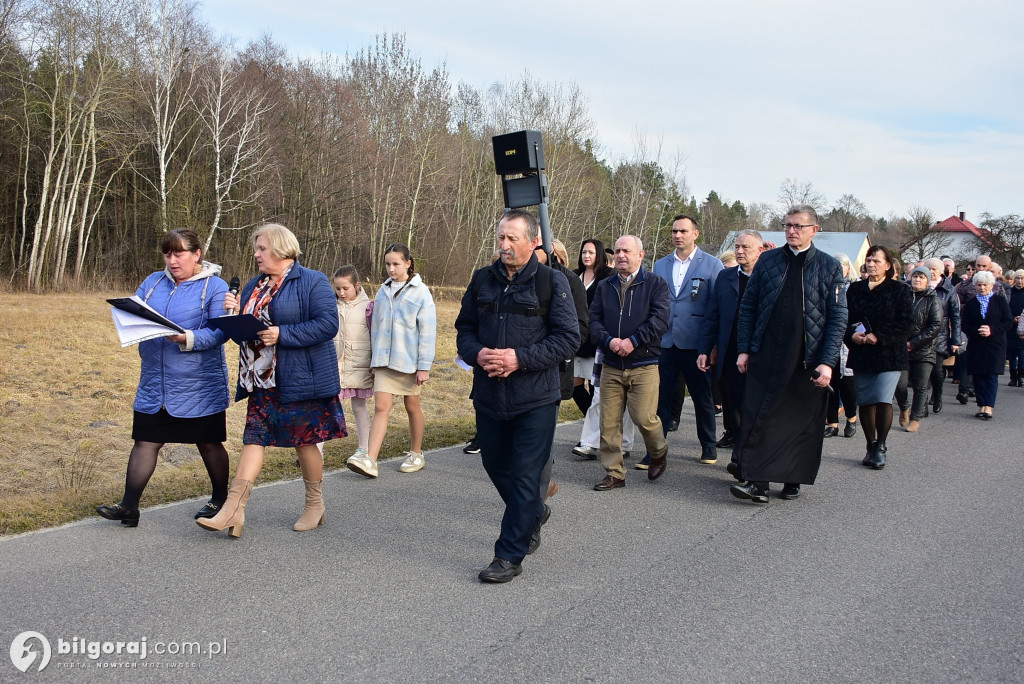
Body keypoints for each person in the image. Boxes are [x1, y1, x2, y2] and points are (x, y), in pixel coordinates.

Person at [455, 209, 579, 583]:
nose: (504, 245)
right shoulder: (482, 280)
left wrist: (518, 359)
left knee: (526, 474)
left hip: (535, 399)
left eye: (512, 239)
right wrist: (477, 353)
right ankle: (532, 512)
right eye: (501, 238)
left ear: (533, 241)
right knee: (496, 465)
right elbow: (464, 331)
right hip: (490, 395)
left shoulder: (550, 283)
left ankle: (508, 555)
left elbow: (568, 338)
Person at [197, 223, 345, 537]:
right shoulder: (253, 286)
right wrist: (234, 319)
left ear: (281, 248)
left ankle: (314, 504)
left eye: (262, 248)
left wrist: (283, 334)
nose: (256, 254)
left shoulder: (312, 281)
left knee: (304, 445)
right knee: (253, 439)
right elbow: (248, 338)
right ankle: (234, 509)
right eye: (257, 248)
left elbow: (328, 325)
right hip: (261, 380)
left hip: (300, 378)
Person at [97, 228, 231, 528]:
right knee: (145, 441)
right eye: (167, 254)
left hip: (198, 384)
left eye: (179, 253)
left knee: (208, 443)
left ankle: (221, 499)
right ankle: (129, 507)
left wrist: (185, 337)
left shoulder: (215, 286)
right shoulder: (153, 282)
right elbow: (136, 312)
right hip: (155, 382)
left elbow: (221, 332)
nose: (172, 260)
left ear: (197, 255)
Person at [730, 205, 847, 503]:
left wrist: (827, 363)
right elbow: (748, 308)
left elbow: (837, 318)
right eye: (787, 225)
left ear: (814, 230)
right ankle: (757, 482)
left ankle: (792, 477)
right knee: (760, 414)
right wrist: (744, 350)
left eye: (798, 226)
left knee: (799, 422)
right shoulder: (768, 261)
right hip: (766, 352)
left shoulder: (828, 266)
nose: (792, 231)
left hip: (806, 357)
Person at [346, 244, 436, 477]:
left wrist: (424, 366)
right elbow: (375, 328)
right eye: (388, 264)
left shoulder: (421, 292)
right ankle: (370, 460)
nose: (391, 268)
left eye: (396, 264)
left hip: (409, 362)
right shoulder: (383, 291)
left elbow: (427, 331)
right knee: (381, 407)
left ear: (407, 263)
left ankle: (416, 453)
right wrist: (375, 361)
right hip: (385, 361)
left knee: (412, 406)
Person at [590, 235, 671, 489]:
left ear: (641, 255)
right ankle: (615, 472)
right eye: (618, 251)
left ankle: (659, 451)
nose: (621, 255)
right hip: (612, 364)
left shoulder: (656, 284)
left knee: (644, 417)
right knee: (609, 422)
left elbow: (660, 320)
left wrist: (633, 341)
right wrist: (609, 341)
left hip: (644, 364)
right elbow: (593, 321)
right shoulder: (605, 286)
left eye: (627, 251)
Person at [652, 215, 723, 466]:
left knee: (702, 397)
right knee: (660, 398)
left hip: (697, 344)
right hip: (666, 343)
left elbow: (717, 307)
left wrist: (712, 344)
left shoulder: (712, 265)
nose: (677, 235)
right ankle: (655, 450)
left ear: (696, 234)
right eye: (674, 231)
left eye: (683, 231)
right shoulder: (660, 265)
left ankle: (708, 446)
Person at [697, 230, 764, 465]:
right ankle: (738, 452)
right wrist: (705, 349)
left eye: (745, 247)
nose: (739, 251)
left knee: (754, 405)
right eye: (737, 246)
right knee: (733, 403)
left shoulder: (768, 277)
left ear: (760, 250)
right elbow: (712, 316)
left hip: (759, 353)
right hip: (729, 352)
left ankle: (749, 456)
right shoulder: (725, 277)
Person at [845, 246, 913, 470]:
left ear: (888, 265)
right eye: (869, 259)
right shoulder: (855, 289)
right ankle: (869, 444)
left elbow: (905, 324)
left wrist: (879, 336)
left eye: (876, 260)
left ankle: (881, 446)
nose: (871, 264)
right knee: (865, 400)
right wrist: (852, 336)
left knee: (883, 398)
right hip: (862, 352)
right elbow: (844, 319)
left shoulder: (899, 290)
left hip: (889, 354)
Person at [332, 265, 374, 464]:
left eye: (345, 289)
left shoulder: (369, 307)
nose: (341, 293)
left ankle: (364, 448)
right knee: (328, 406)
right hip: (335, 365)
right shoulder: (332, 305)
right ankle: (318, 450)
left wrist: (374, 364)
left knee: (359, 407)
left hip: (359, 364)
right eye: (337, 289)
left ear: (357, 286)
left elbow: (375, 336)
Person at [894, 267, 943, 433]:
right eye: (915, 276)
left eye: (922, 277)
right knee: (899, 385)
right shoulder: (903, 295)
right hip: (901, 348)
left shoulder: (933, 300)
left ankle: (915, 418)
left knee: (920, 386)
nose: (918, 280)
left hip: (924, 350)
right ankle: (904, 407)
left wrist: (914, 343)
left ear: (927, 280)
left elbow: (935, 325)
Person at [961, 270, 1014, 419]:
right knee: (978, 375)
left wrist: (992, 330)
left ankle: (989, 406)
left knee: (991, 375)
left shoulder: (1000, 301)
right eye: (979, 285)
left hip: (995, 343)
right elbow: (965, 324)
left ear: (991, 285)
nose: (982, 288)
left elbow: (1007, 321)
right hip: (977, 344)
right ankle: (981, 405)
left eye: (985, 285)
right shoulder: (971, 303)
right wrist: (978, 330)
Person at [572, 238, 614, 418]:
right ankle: (593, 422)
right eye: (584, 252)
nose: (586, 256)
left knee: (595, 388)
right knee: (573, 386)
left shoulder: (608, 277)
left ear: (599, 255)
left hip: (596, 339)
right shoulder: (574, 276)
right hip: (575, 338)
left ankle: (595, 430)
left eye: (591, 252)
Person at [823, 253, 858, 440]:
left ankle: (851, 418)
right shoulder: (826, 287)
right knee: (829, 382)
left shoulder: (853, 288)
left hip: (848, 341)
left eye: (840, 265)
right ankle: (832, 422)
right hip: (828, 340)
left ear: (847, 268)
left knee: (847, 384)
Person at [925, 257, 961, 413]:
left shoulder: (948, 289)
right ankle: (922, 402)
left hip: (940, 334)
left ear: (941, 271)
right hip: (921, 334)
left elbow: (955, 315)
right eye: (929, 269)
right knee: (922, 371)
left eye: (934, 269)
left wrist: (956, 339)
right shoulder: (918, 284)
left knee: (937, 370)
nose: (931, 272)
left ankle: (937, 395)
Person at [1006, 270, 1024, 386]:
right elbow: (1005, 308)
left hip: (1023, 326)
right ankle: (1013, 375)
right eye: (1017, 278)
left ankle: (1021, 375)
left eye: (1022, 278)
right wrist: (1013, 318)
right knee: (1012, 352)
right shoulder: (1009, 292)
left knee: (1022, 352)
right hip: (1011, 326)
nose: (1019, 281)